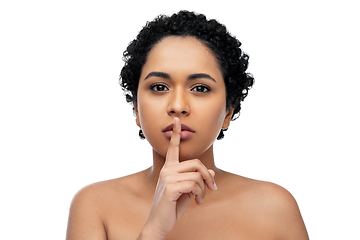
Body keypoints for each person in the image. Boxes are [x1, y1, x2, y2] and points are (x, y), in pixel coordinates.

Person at [66, 10, 309, 239]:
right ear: (137, 109)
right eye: (159, 87)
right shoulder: (95, 206)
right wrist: (153, 230)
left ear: (228, 111)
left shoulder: (275, 208)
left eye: (200, 88)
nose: (178, 106)